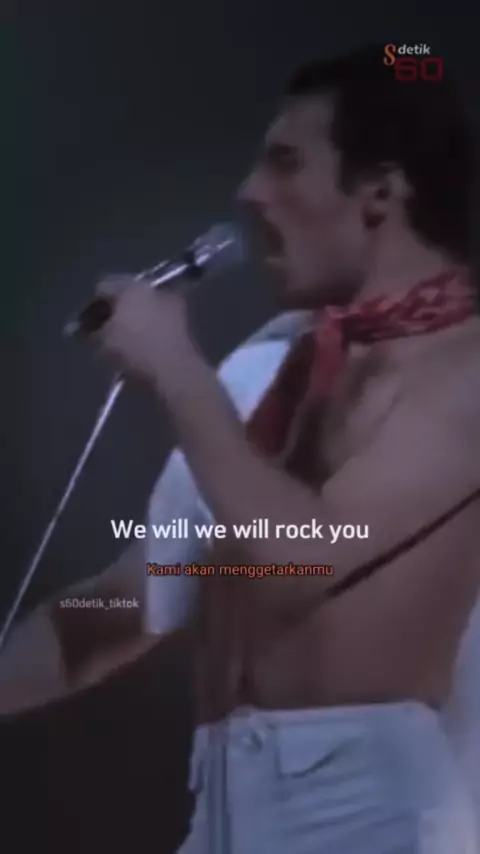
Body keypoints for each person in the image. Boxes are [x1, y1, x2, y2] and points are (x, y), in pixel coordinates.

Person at [1, 44, 479, 852]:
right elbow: (132, 600)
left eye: (285, 162)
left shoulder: (466, 372)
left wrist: (176, 370)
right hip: (226, 811)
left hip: (368, 820)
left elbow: (300, 560)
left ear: (380, 193)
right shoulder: (271, 365)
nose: (249, 192)